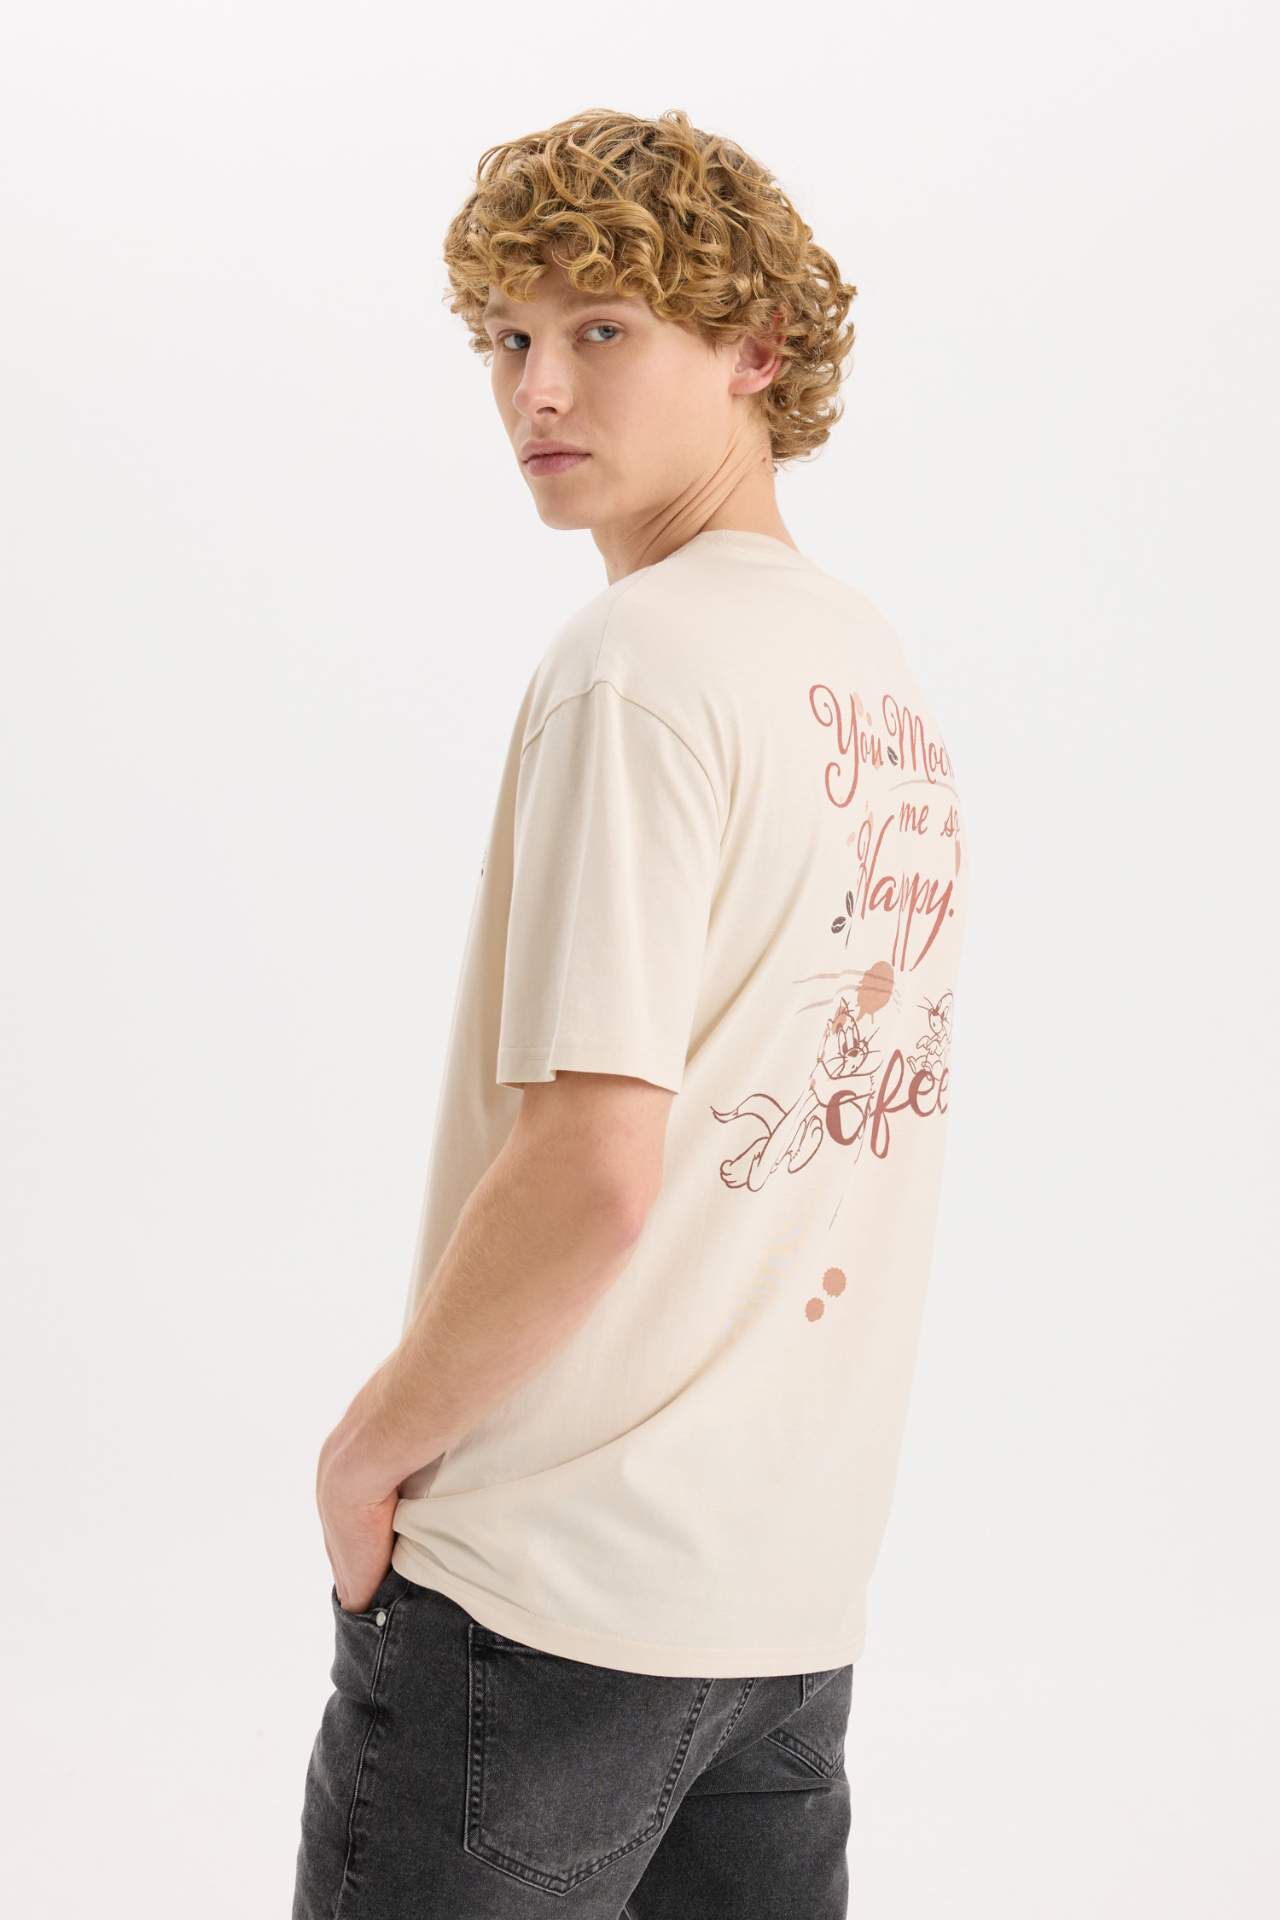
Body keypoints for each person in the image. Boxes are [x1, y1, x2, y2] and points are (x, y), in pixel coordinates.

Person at [292, 105, 970, 1920]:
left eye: (604, 329)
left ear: (756, 348)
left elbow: (596, 1167)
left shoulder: (638, 666)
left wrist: (366, 1454)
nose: (539, 389)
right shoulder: (869, 675)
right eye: (507, 337)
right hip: (782, 1618)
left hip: (550, 1605)